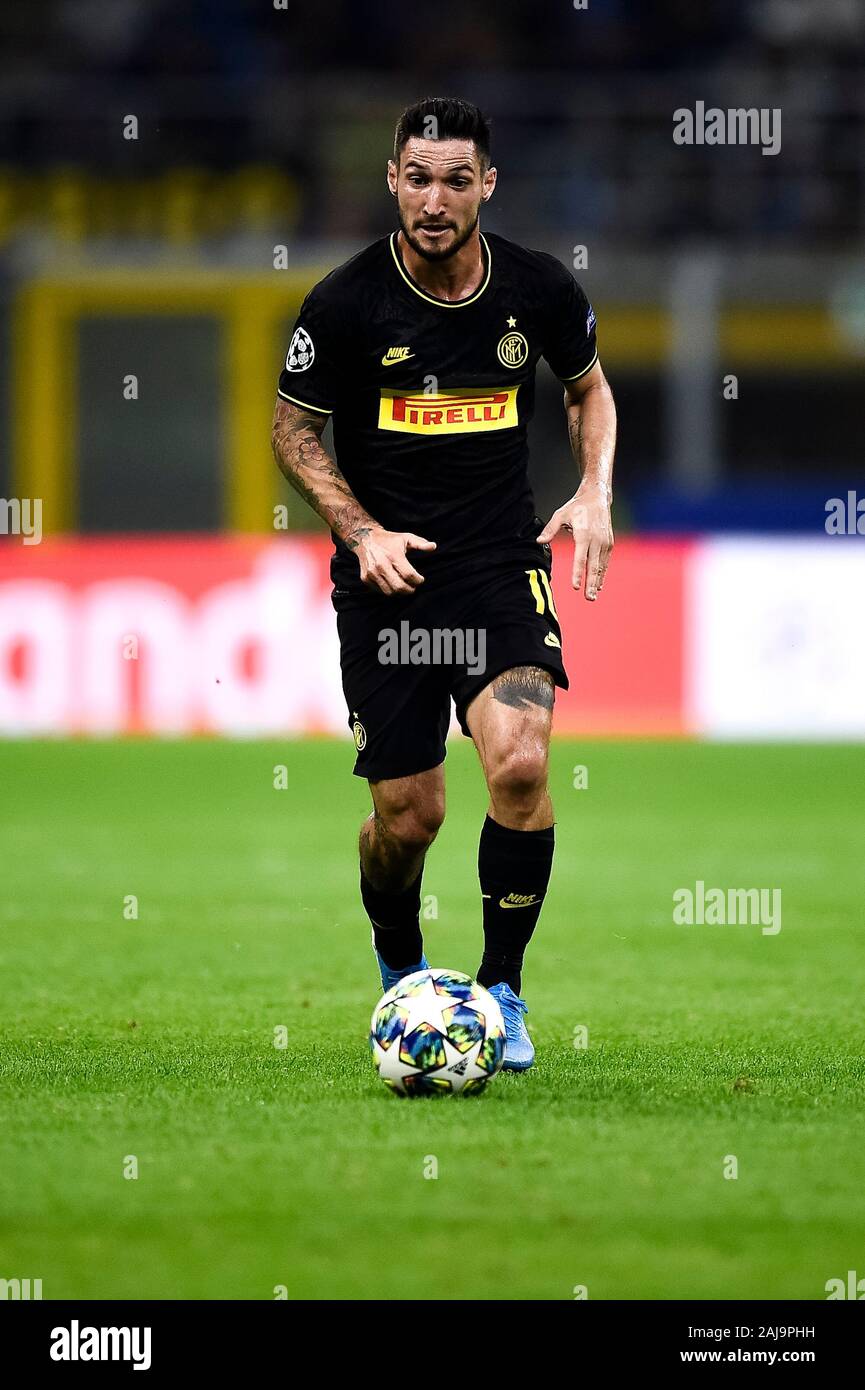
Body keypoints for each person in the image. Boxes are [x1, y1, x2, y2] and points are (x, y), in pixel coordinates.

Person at [271, 97, 616, 1070]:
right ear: (391, 179)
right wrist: (361, 527)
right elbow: (292, 431)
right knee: (406, 818)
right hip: (386, 584)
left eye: (455, 179)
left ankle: (501, 991)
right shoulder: (343, 305)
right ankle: (399, 958)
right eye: (416, 177)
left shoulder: (537, 289)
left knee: (518, 763)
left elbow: (589, 388)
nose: (433, 198)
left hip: (499, 565)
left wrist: (591, 492)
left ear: (486, 185)